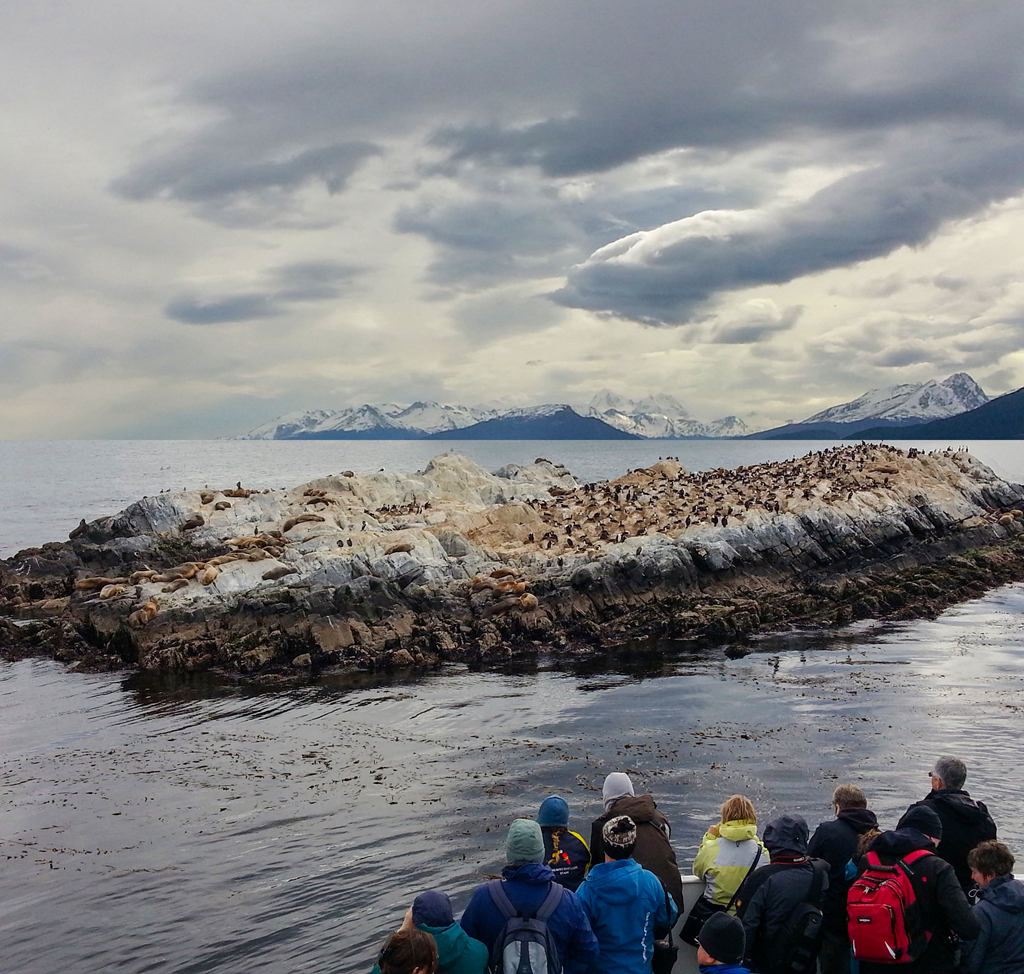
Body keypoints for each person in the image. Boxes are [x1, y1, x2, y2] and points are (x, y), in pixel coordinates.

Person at [460, 818, 599, 973]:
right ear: (541, 852)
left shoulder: (484, 897)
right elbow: (589, 951)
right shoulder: (566, 900)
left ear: (509, 852)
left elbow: (466, 952)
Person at [856, 805, 979, 974]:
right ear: (930, 836)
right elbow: (968, 927)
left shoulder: (868, 860)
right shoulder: (937, 868)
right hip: (926, 961)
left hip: (875, 959)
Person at [576, 815, 677, 974]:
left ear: (604, 845)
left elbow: (578, 939)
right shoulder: (651, 882)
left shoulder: (587, 891)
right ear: (633, 845)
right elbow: (669, 916)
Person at [735, 814, 828, 974]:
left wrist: (741, 962)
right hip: (804, 958)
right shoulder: (820, 872)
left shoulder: (762, 878)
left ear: (771, 842)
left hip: (767, 961)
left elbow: (747, 925)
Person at [808, 784, 879, 974]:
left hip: (834, 913)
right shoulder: (879, 836)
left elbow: (809, 865)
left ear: (838, 807)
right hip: (870, 912)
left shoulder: (827, 831)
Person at [589, 772, 684, 912]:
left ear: (606, 797)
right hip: (671, 901)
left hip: (636, 906)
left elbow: (597, 871)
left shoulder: (603, 826)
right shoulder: (659, 819)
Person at [904, 755, 996, 892]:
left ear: (938, 783)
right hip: (972, 889)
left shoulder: (922, 812)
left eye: (932, 777)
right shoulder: (981, 813)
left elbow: (901, 847)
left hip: (933, 890)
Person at [371, 891, 487, 974]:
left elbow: (380, 969)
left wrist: (402, 930)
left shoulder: (403, 961)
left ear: (414, 922)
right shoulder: (479, 950)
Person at [693, 794, 767, 911]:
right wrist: (752, 837)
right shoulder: (762, 853)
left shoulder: (711, 848)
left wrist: (710, 837)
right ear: (752, 818)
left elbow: (697, 871)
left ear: (725, 818)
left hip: (714, 916)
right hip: (746, 918)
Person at [960, 840, 1024, 974]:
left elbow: (973, 959)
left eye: (975, 872)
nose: (972, 877)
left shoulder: (983, 912)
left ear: (990, 875)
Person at [537, 794, 591, 891]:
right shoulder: (578, 841)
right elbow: (587, 864)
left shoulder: (535, 843)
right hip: (575, 899)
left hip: (543, 901)